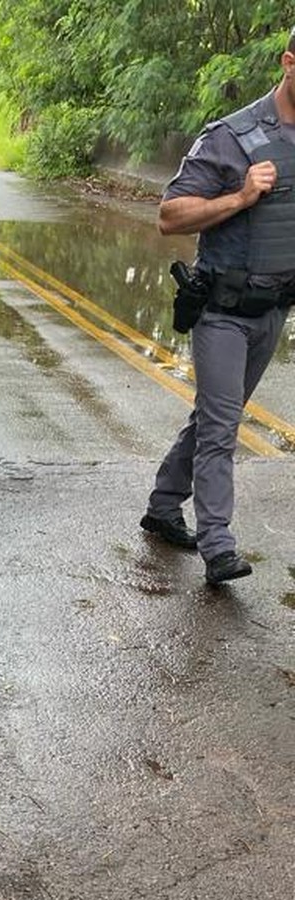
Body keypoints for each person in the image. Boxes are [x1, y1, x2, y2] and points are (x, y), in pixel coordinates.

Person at [141, 30, 295, 586]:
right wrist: (241, 197)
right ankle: (218, 546)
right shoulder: (233, 137)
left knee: (212, 418)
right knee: (221, 429)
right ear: (288, 63)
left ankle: (162, 506)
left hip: (272, 310)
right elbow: (170, 216)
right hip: (223, 311)